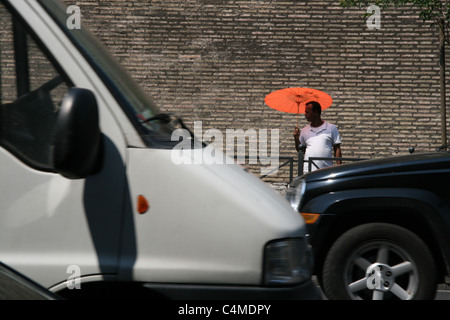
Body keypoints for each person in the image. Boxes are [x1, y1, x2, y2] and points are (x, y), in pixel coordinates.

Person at [293, 101, 342, 173]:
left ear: (316, 112)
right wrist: (296, 138)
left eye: (307, 112)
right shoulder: (304, 130)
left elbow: (337, 148)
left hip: (326, 170)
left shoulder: (331, 128)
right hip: (308, 170)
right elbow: (301, 150)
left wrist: (339, 166)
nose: (305, 115)